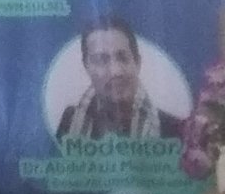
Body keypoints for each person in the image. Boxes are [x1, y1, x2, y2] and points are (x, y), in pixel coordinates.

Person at [56, 16, 184, 140]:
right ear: (86, 66)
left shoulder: (173, 130)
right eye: (101, 60)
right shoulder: (70, 123)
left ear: (137, 63)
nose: (115, 71)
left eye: (123, 58)